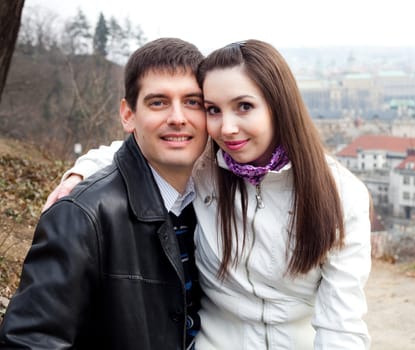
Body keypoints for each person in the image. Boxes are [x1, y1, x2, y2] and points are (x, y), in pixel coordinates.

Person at [45, 39, 372, 349]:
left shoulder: (338, 194)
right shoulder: (205, 169)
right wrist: (80, 174)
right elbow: (137, 148)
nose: (227, 128)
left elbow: (341, 327)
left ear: (279, 107)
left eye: (244, 107)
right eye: (213, 110)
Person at [0, 37, 208, 350]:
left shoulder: (219, 198)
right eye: (158, 102)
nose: (178, 117)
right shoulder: (81, 216)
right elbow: (29, 341)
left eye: (193, 101)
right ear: (128, 115)